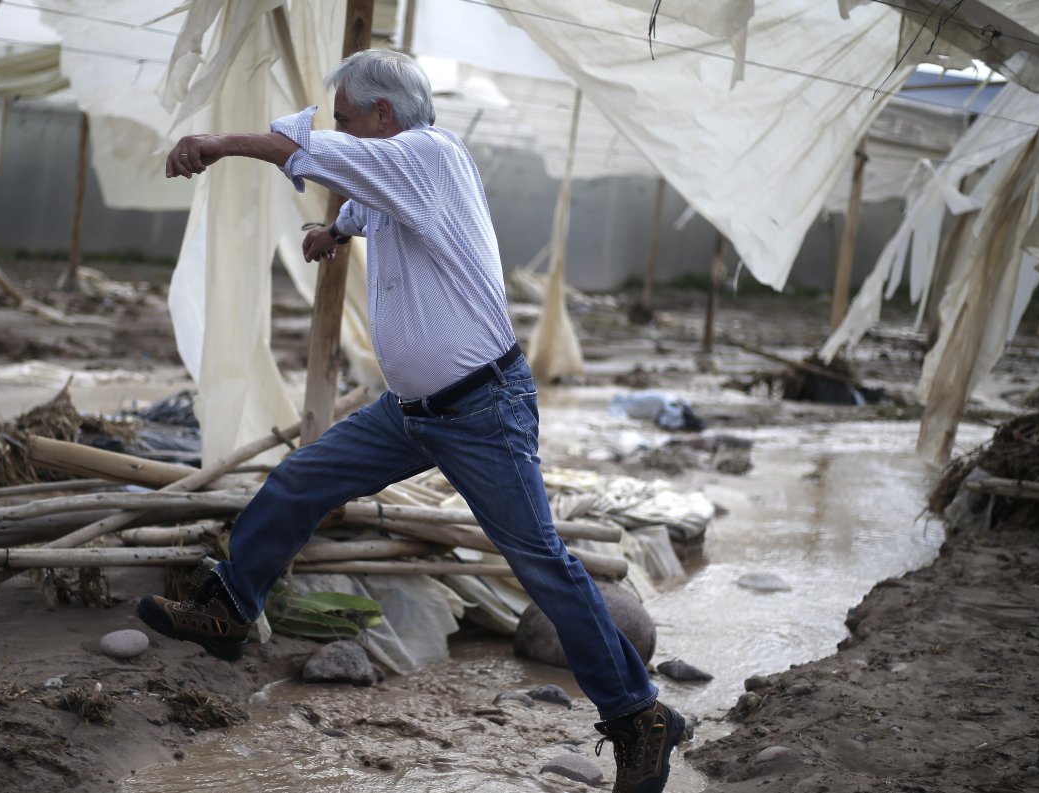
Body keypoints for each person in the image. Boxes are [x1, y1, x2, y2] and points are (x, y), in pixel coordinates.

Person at [138, 49, 683, 793]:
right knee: (300, 480)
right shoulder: (400, 173)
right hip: (410, 414)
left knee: (540, 564)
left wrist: (219, 143)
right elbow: (365, 202)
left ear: (384, 115)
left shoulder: (429, 154)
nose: (340, 130)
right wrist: (336, 231)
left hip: (483, 412)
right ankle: (232, 608)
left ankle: (639, 716)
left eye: (347, 118)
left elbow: (314, 152)